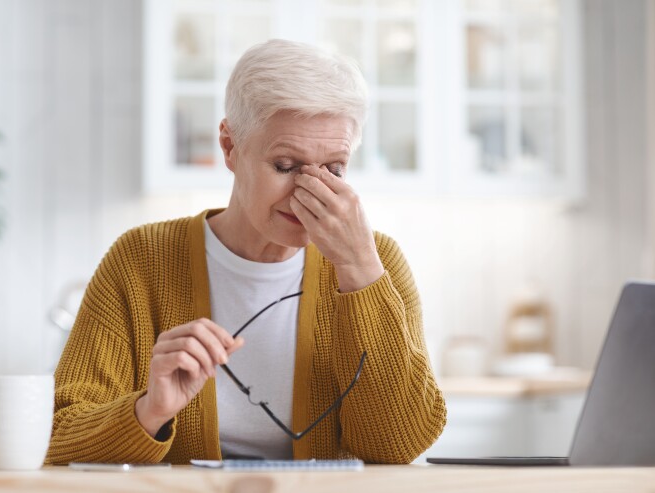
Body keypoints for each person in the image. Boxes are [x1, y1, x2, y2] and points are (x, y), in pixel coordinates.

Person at [46, 39, 446, 465]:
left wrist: (359, 270)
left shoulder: (376, 262)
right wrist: (151, 411)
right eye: (286, 166)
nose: (308, 194)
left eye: (333, 170)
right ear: (230, 146)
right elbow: (58, 437)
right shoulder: (141, 260)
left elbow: (397, 446)